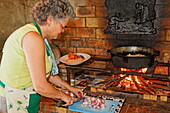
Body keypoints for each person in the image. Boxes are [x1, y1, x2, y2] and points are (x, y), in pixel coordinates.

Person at [0, 0, 84, 113]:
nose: (62, 31)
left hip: (26, 95)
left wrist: (69, 88)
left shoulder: (37, 35)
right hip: (17, 97)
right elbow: (40, 86)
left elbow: (46, 74)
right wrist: (63, 96)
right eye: (62, 26)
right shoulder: (32, 38)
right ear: (50, 20)